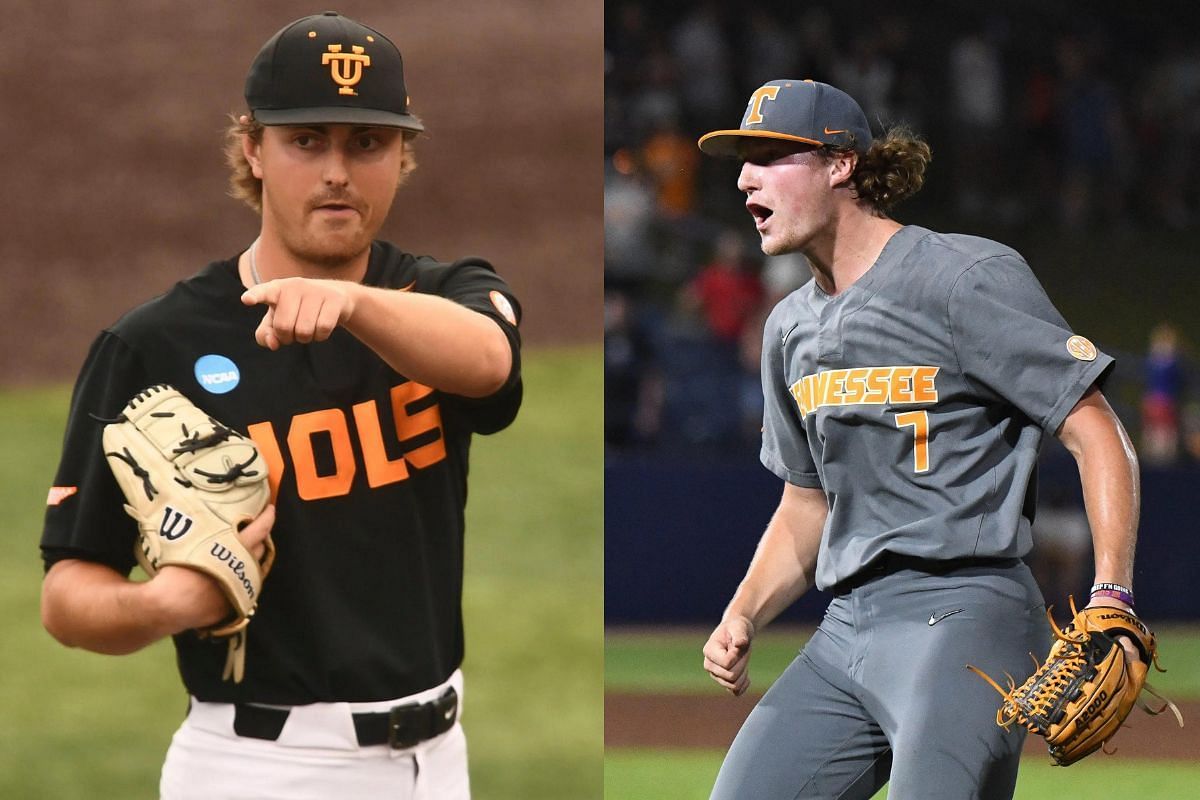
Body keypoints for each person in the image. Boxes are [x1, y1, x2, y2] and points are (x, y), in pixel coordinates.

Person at [39, 12, 521, 800]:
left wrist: (346, 303)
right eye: (307, 141)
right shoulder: (154, 345)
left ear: (402, 156)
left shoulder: (441, 295)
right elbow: (67, 592)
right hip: (258, 767)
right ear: (253, 149)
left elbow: (489, 363)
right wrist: (165, 603)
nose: (338, 171)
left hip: (440, 762)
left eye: (366, 143)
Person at [697, 79, 1142, 799]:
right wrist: (744, 611)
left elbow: (1094, 428)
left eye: (773, 155)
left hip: (967, 614)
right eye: (743, 160)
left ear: (842, 164)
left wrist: (1112, 593)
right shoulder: (788, 329)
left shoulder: (963, 279)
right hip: (847, 631)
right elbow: (808, 503)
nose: (746, 177)